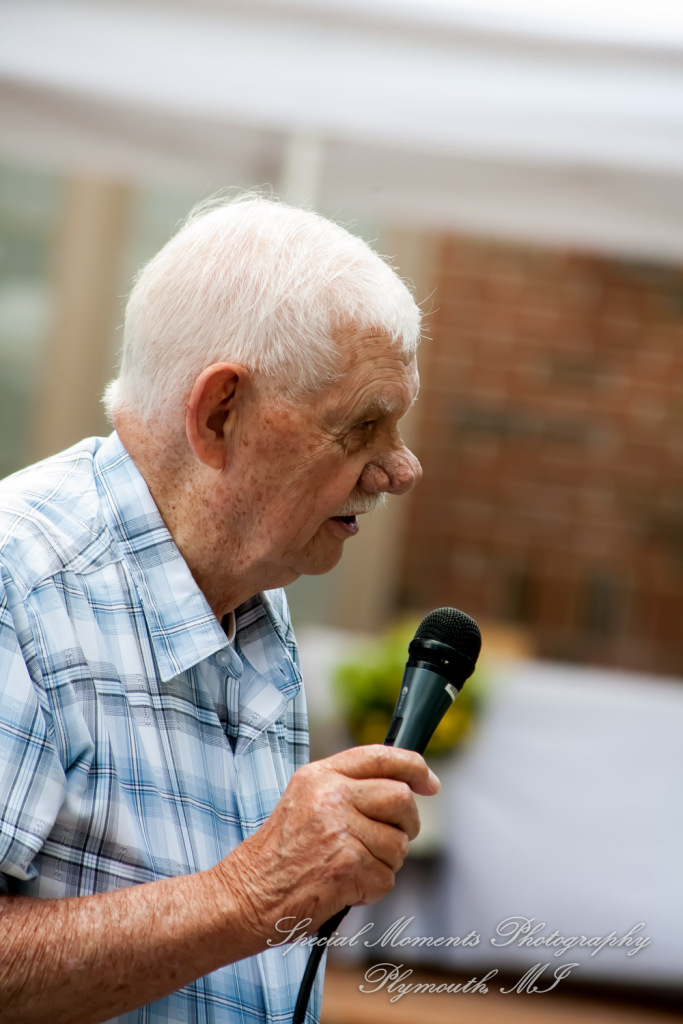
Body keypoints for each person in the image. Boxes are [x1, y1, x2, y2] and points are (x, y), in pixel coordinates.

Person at [0, 194, 438, 1024]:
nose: (401, 468)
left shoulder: (248, 594)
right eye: (363, 426)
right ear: (219, 412)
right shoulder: (19, 581)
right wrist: (252, 892)